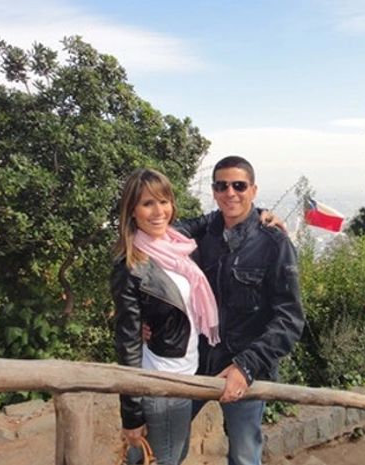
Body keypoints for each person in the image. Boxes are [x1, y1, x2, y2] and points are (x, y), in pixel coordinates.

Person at [190, 156, 305, 465]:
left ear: (253, 190)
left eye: (239, 186)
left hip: (245, 367)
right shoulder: (203, 237)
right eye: (222, 186)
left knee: (243, 455)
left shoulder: (274, 243)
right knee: (163, 442)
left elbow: (290, 318)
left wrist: (246, 366)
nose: (230, 193)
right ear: (214, 191)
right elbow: (159, 233)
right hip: (198, 361)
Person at [110, 168, 221, 465]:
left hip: (188, 372)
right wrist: (132, 415)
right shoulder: (131, 265)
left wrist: (259, 213)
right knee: (167, 457)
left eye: (164, 201)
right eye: (147, 203)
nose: (159, 211)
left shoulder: (175, 245)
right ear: (132, 210)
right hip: (161, 381)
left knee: (161, 454)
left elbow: (209, 219)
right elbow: (127, 344)